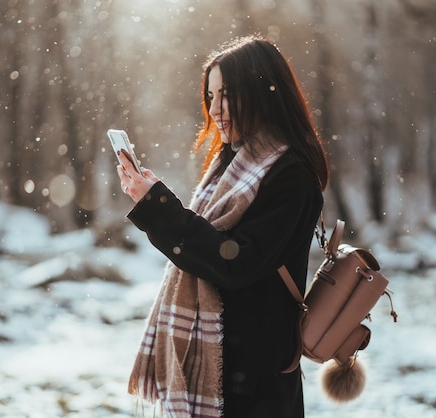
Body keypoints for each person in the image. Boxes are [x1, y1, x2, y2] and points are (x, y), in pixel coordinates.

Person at [117, 35, 329, 418]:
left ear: (263, 91)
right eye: (210, 96)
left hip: (256, 386)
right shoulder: (230, 164)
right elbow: (211, 248)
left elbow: (233, 262)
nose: (214, 109)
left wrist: (158, 208)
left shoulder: (290, 175)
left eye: (226, 94)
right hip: (224, 376)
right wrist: (152, 203)